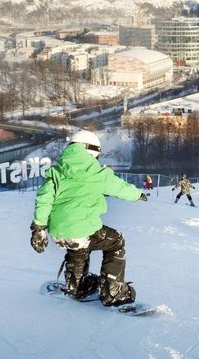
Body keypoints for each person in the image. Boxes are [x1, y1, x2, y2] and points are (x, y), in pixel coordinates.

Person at [29, 129, 148, 307]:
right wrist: (137, 194)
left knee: (78, 247)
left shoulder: (56, 171)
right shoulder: (95, 172)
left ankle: (76, 286)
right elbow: (118, 187)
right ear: (91, 150)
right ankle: (112, 292)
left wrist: (39, 228)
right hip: (83, 230)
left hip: (60, 232)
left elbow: (43, 199)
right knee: (116, 241)